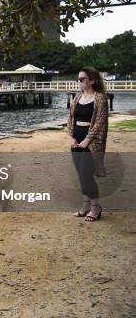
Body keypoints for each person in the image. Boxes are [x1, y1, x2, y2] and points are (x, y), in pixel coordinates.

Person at [67, 67, 109, 222]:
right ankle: (85, 206)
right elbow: (71, 119)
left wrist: (87, 140)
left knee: (86, 174)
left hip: (91, 143)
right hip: (76, 140)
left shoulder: (100, 98)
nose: (79, 82)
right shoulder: (77, 97)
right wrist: (71, 137)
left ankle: (95, 207)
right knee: (81, 174)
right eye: (78, 79)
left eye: (82, 79)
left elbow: (100, 123)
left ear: (91, 80)